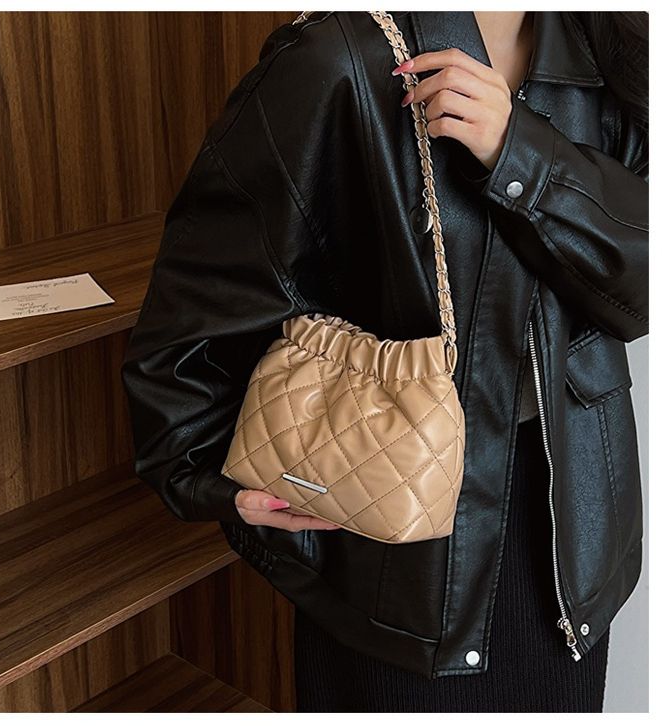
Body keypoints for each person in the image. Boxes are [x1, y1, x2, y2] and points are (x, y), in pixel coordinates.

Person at [121, 10, 648, 713]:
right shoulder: (336, 57)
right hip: (395, 542)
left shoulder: (605, 49)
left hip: (572, 537)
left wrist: (517, 150)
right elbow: (203, 297)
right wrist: (206, 470)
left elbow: (638, 292)